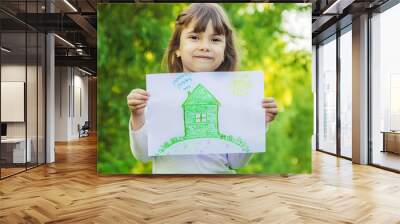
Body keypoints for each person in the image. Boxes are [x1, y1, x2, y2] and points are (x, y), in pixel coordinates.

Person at [127, 3, 278, 174]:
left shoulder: (232, 99)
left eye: (215, 40)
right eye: (194, 37)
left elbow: (236, 162)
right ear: (177, 48)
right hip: (169, 192)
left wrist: (258, 122)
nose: (205, 46)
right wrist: (137, 114)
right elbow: (142, 155)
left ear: (224, 52)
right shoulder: (160, 97)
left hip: (217, 192)